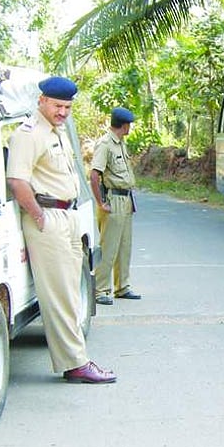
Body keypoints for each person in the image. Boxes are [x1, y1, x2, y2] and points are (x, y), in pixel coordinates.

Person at [7, 77, 116, 384]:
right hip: (48, 217)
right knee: (59, 295)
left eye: (67, 107)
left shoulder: (58, 133)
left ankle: (77, 358)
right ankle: (75, 364)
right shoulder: (28, 134)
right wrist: (38, 215)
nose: (62, 112)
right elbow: (17, 181)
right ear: (42, 100)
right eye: (57, 106)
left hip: (67, 215)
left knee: (70, 291)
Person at [90, 107, 140, 305]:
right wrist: (100, 202)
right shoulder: (105, 144)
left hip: (125, 199)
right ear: (124, 125)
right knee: (109, 246)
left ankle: (122, 286)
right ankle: (101, 289)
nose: (130, 128)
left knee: (124, 246)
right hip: (113, 199)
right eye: (129, 124)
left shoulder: (120, 144)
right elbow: (94, 175)